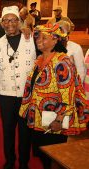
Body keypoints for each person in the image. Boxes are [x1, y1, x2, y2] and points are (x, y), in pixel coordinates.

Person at [19, 23, 89, 169]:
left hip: (53, 119)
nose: (39, 40)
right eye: (38, 37)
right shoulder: (39, 60)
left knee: (52, 157)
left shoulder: (62, 61)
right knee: (42, 153)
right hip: (39, 117)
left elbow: (67, 93)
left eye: (45, 38)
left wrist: (59, 118)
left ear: (56, 40)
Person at [0, 6, 36, 169]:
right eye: (6, 20)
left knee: (25, 132)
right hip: (6, 94)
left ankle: (24, 163)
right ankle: (10, 161)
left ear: (19, 22)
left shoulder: (31, 38)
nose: (9, 23)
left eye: (13, 20)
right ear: (2, 23)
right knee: (8, 131)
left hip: (26, 94)